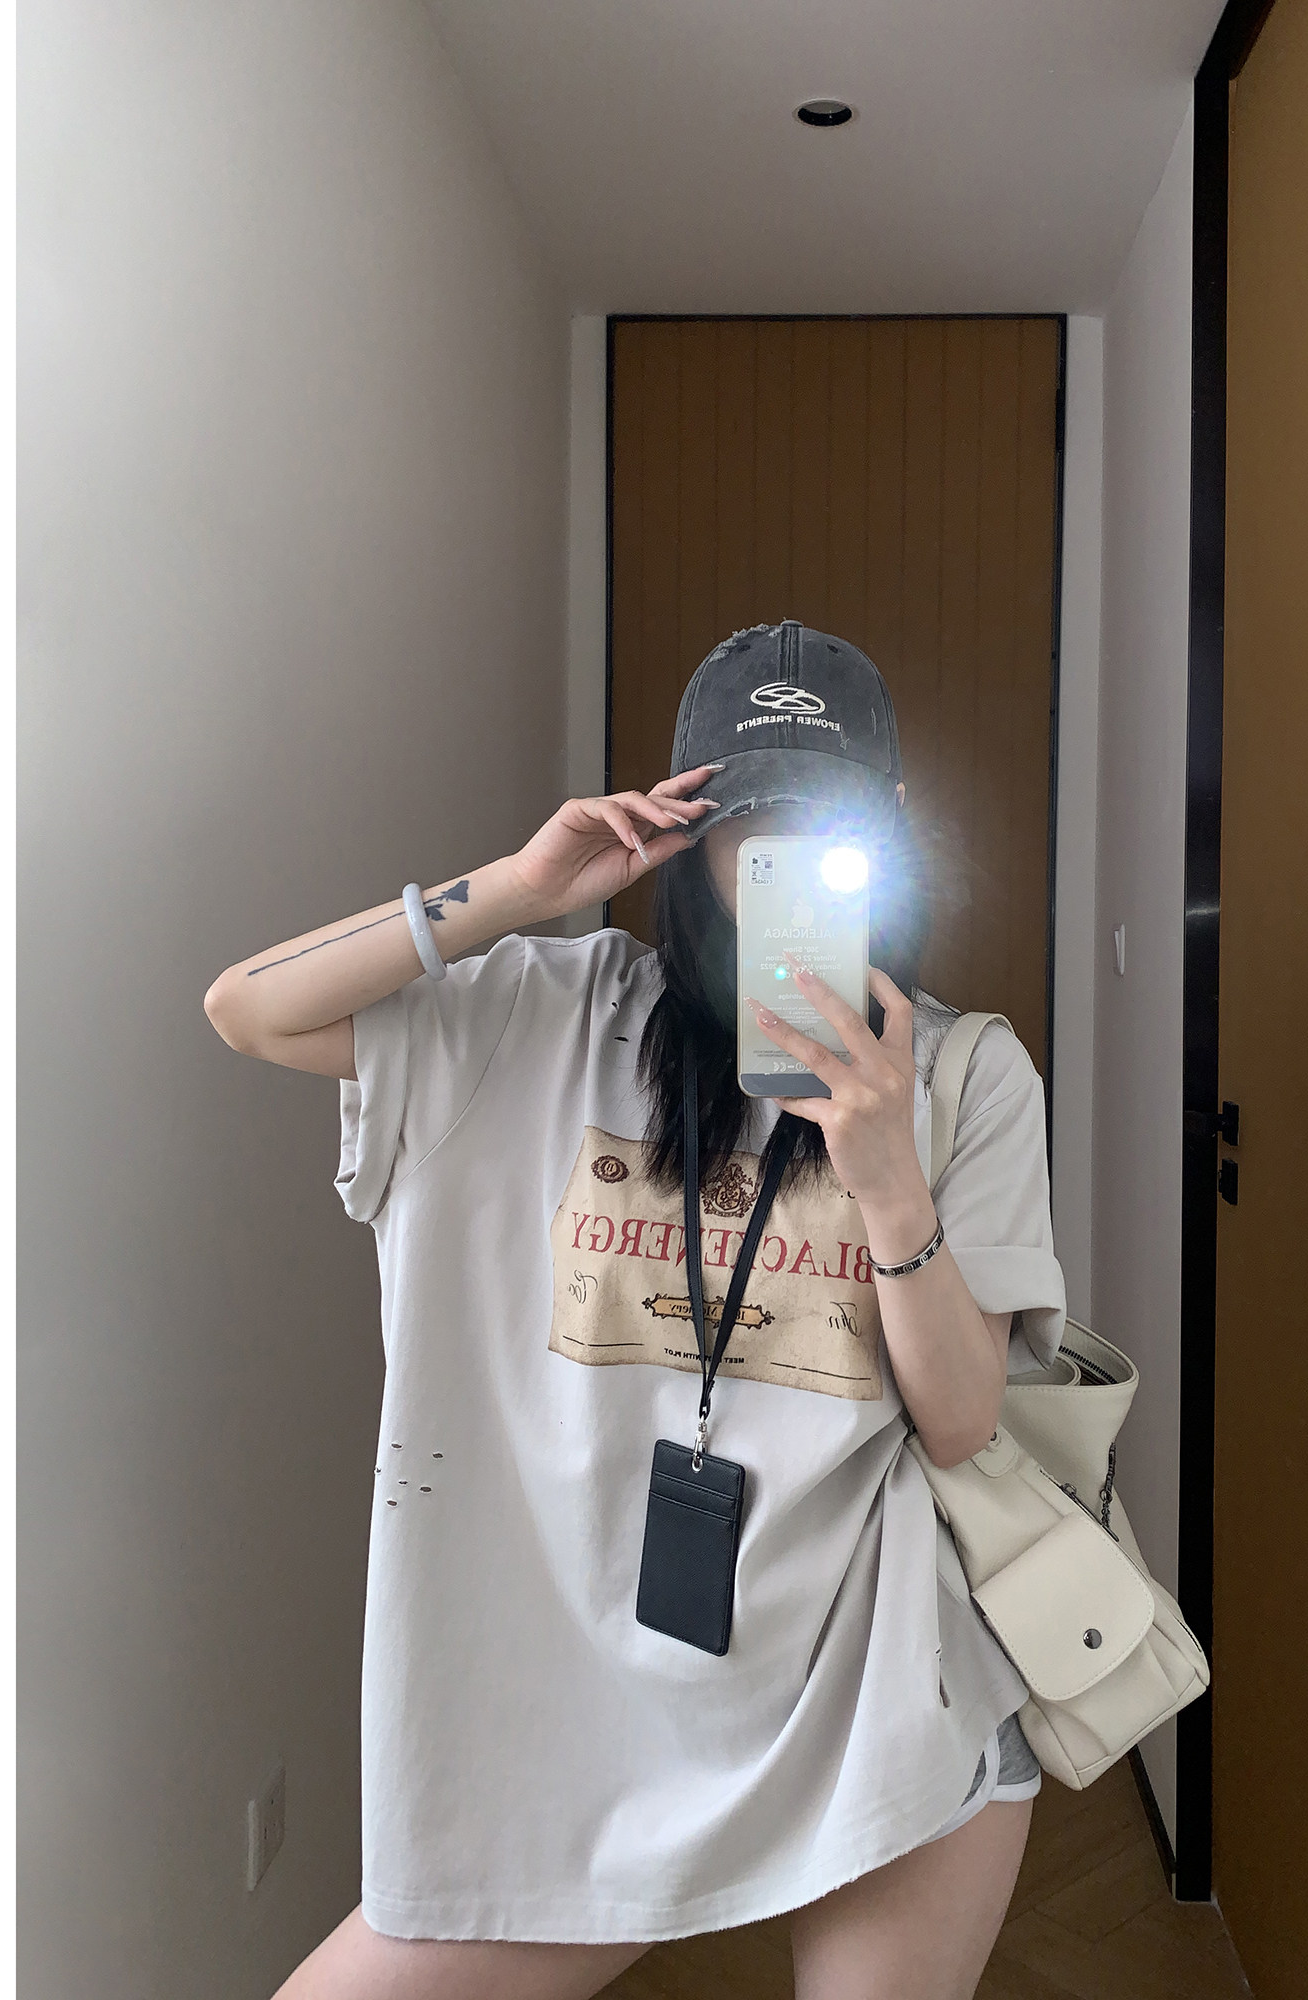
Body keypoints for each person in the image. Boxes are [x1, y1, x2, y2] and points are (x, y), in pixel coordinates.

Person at [205, 622, 1066, 2000]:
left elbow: (964, 1425)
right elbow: (248, 1009)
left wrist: (888, 1177)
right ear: (684, 826)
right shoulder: (539, 1018)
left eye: (827, 823)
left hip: (877, 1685)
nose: (782, 858)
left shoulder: (966, 1077)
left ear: (891, 829)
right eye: (750, 821)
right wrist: (518, 889)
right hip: (585, 1695)